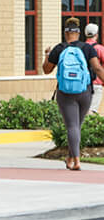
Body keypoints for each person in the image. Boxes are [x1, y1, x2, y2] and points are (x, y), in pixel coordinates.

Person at [43, 17, 104, 171]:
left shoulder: (59, 48)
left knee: (72, 126)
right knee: (76, 126)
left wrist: (46, 56)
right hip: (85, 92)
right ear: (78, 32)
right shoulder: (87, 48)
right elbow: (97, 69)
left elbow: (46, 69)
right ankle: (71, 158)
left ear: (65, 32)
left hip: (65, 93)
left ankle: (76, 160)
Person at [84, 23, 104, 115]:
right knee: (92, 111)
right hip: (96, 84)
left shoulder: (80, 47)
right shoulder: (100, 49)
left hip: (82, 84)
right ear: (96, 35)